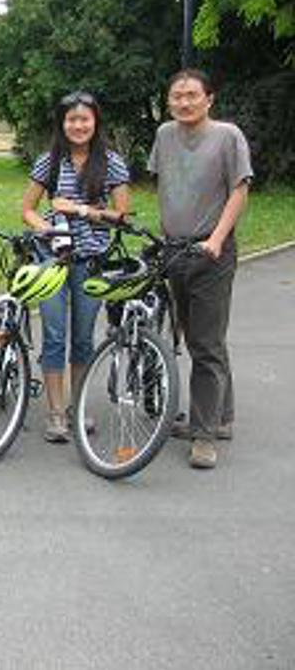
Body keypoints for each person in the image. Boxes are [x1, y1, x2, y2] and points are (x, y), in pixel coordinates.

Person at [149, 68, 251, 470]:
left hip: (212, 252)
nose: (184, 102)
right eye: (177, 95)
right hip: (175, 250)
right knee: (197, 337)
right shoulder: (164, 136)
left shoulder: (228, 136)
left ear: (209, 99)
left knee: (205, 344)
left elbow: (240, 190)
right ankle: (222, 416)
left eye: (192, 95)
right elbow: (166, 187)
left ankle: (204, 433)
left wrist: (218, 239)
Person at [22, 90, 130, 443]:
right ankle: (55, 412)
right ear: (62, 123)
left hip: (90, 261)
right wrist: (47, 229)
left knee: (83, 338)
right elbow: (28, 210)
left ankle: (78, 406)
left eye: (84, 119)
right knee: (53, 336)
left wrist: (81, 211)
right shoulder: (49, 161)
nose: (78, 125)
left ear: (95, 122)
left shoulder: (111, 163)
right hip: (52, 259)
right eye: (72, 119)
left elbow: (121, 217)